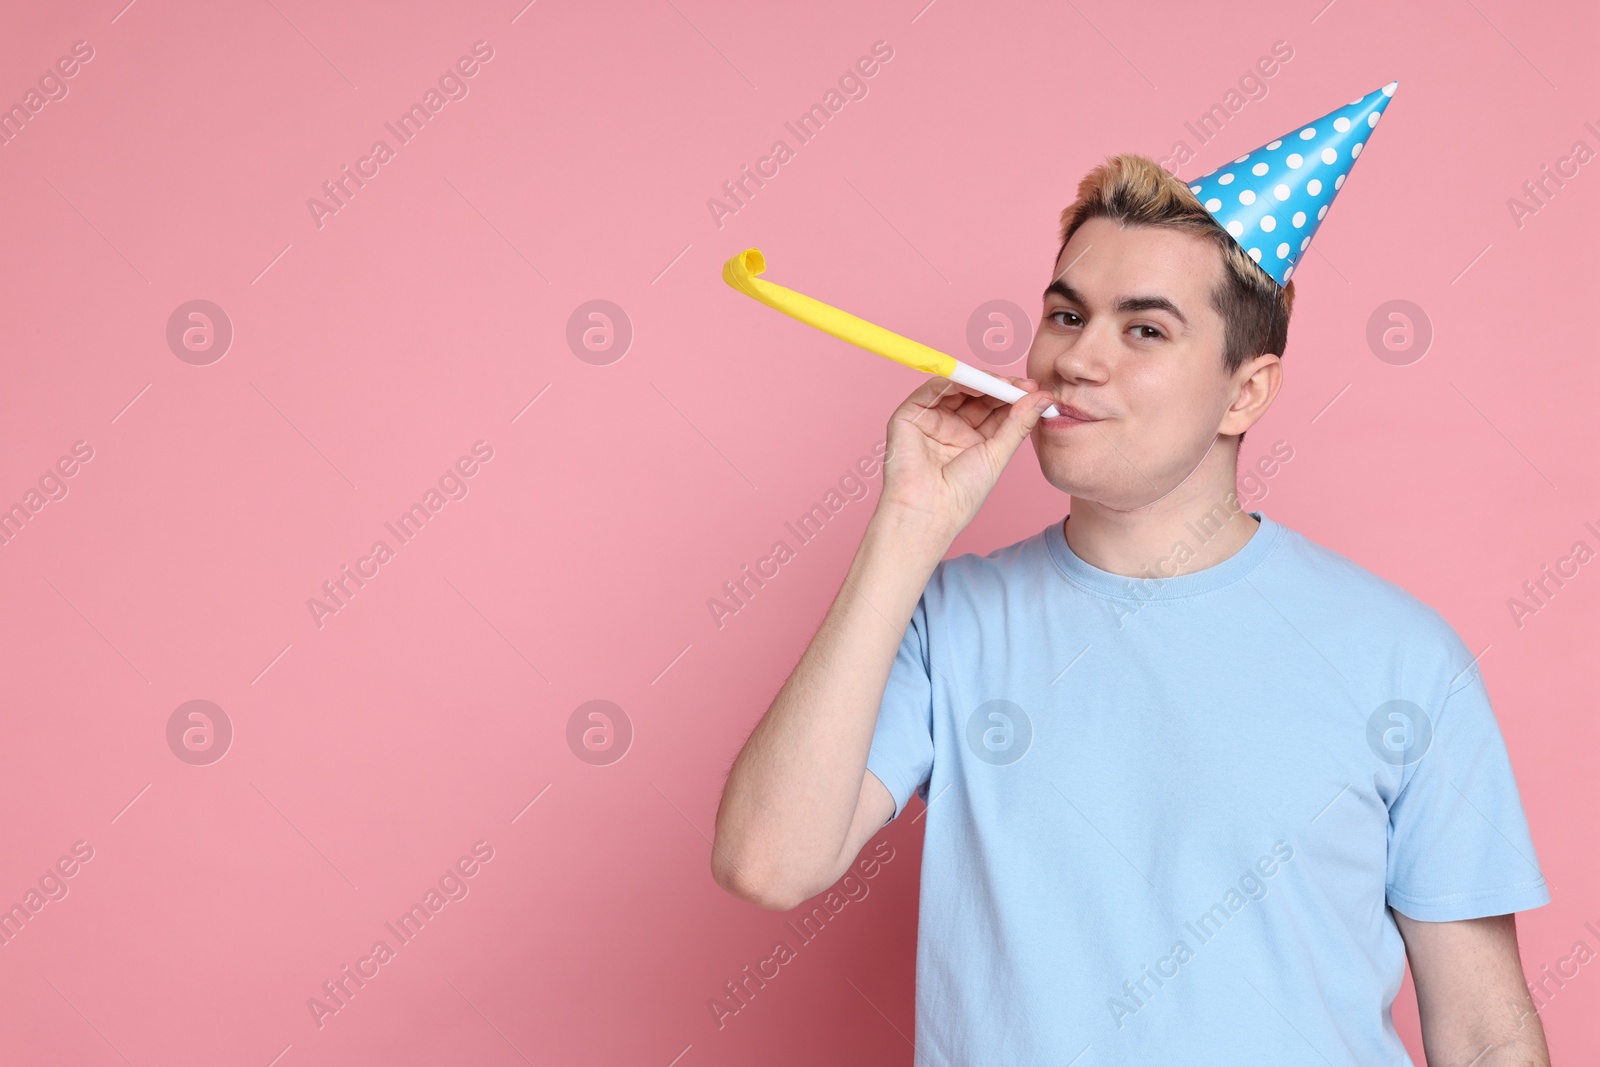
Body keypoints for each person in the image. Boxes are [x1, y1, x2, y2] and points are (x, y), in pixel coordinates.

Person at [711, 133, 1551, 1063]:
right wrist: (908, 523)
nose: (1078, 360)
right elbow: (767, 863)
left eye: (1143, 329)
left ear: (1246, 392)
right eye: (1066, 317)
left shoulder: (1405, 658)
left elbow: (1484, 1033)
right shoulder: (950, 621)